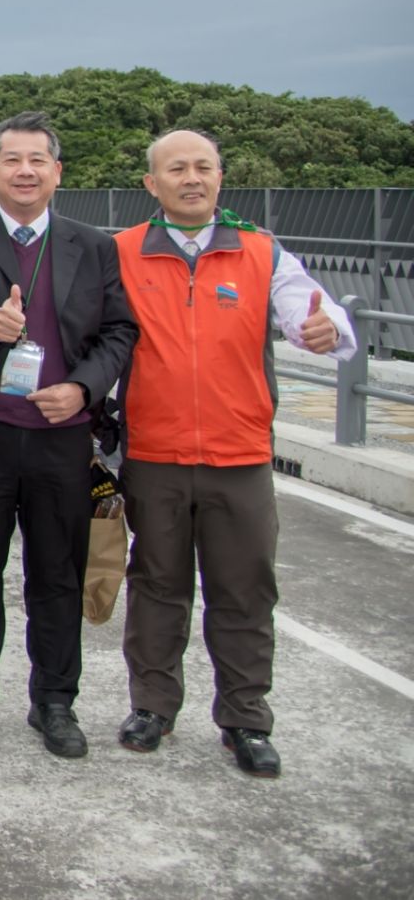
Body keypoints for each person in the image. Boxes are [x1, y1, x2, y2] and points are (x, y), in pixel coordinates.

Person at [113, 129, 355, 779]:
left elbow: (323, 316)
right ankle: (153, 706)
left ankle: (246, 717)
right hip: (154, 455)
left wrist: (327, 329)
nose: (191, 178)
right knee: (156, 585)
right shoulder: (122, 253)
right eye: (176, 168)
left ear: (220, 177)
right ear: (151, 184)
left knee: (243, 589)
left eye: (203, 167)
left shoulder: (261, 251)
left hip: (241, 457)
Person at [0, 112, 137, 758]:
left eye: (38, 159)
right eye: (11, 159)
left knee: (58, 573)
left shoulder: (93, 245)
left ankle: (55, 699)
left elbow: (120, 331)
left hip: (60, 435)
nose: (25, 170)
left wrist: (84, 388)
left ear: (57, 171)